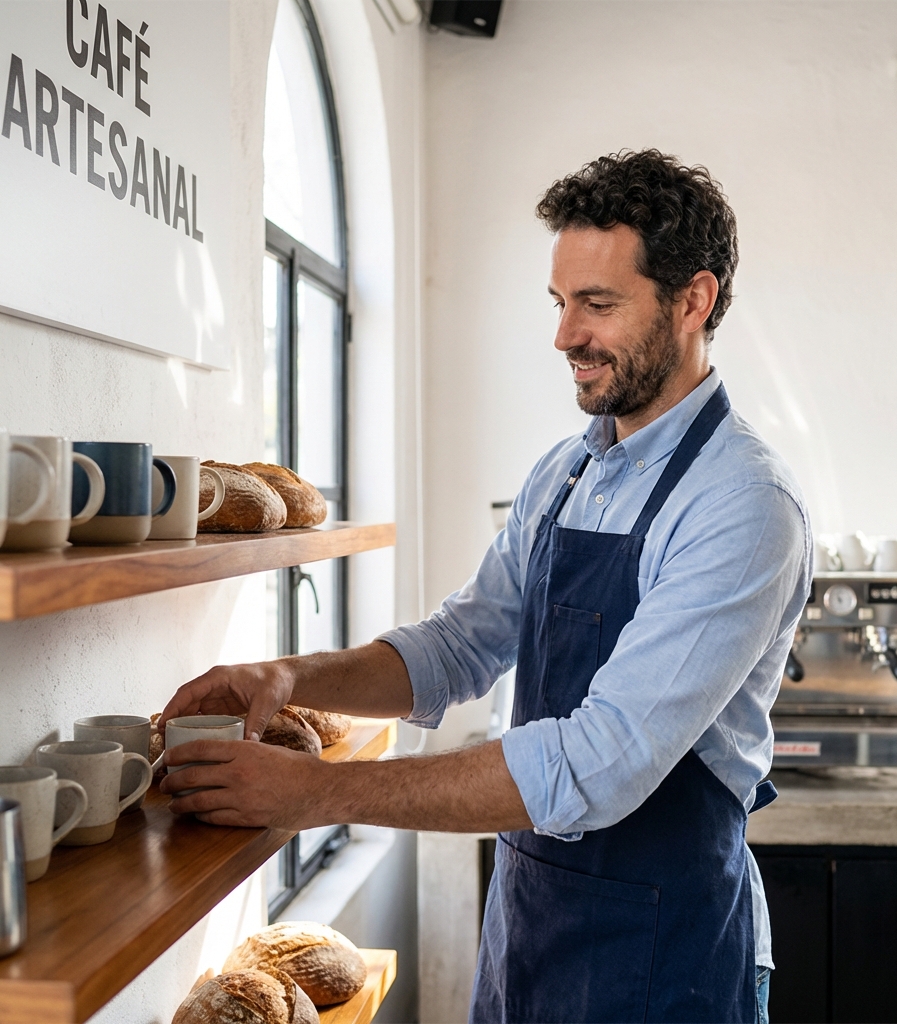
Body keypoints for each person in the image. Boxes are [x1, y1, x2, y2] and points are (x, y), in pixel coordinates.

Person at [160, 149, 811, 1024]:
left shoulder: (741, 504)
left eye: (598, 304)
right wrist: (289, 678)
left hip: (666, 963)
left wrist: (314, 794)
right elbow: (461, 646)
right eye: (560, 302)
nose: (564, 335)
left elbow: (595, 765)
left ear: (694, 300)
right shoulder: (568, 474)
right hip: (529, 934)